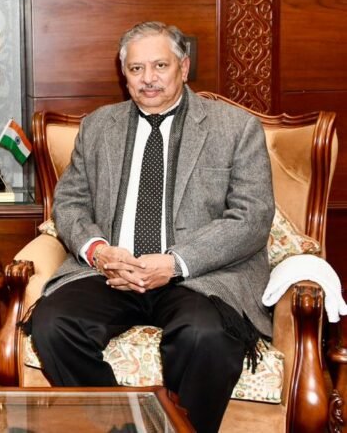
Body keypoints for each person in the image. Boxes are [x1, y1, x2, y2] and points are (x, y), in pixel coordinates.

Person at [28, 22, 274, 433]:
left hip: (198, 277)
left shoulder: (235, 127)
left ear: (184, 67)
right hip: (112, 272)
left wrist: (174, 263)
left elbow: (251, 218)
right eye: (136, 68)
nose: (148, 78)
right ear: (123, 74)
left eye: (160, 65)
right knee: (53, 325)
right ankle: (125, 427)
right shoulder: (98, 127)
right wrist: (99, 252)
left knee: (205, 335)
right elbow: (69, 203)